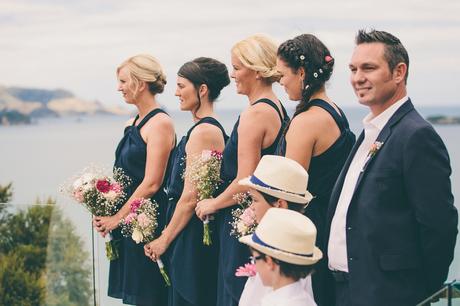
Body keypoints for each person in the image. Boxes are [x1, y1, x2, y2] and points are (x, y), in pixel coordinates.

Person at [326, 29, 458, 306]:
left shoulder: (416, 135)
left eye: (369, 68)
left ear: (399, 72)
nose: (357, 78)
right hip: (346, 290)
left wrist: (421, 291)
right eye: (353, 69)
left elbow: (439, 225)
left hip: (387, 295)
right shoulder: (368, 132)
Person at [195, 34, 290, 306]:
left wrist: (212, 203)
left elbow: (246, 180)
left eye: (237, 67)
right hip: (259, 219)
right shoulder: (277, 107)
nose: (233, 75)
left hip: (241, 222)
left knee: (236, 293)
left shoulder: (255, 114)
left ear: (257, 71)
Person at [275, 33, 355, 306]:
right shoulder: (334, 110)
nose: (280, 81)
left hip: (310, 228)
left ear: (300, 72)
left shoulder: (308, 120)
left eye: (283, 74)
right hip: (330, 221)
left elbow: (290, 192)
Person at [143, 57, 230, 306]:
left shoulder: (205, 132)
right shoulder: (200, 129)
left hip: (193, 237)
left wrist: (164, 239)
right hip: (186, 231)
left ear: (202, 89)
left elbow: (191, 197)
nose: (176, 92)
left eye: (182, 86)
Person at [94, 54, 176, 305]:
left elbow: (152, 182)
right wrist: (101, 205)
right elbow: (124, 173)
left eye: (123, 81)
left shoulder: (160, 123)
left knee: (149, 294)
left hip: (147, 221)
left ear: (140, 83)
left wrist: (116, 219)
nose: (118, 87)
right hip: (130, 220)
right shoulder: (132, 122)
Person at [237, 154, 315, 306]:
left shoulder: (280, 250)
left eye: (255, 200)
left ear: (279, 204)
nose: (251, 206)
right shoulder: (291, 241)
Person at [239, 207, 322, 306]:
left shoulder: (274, 303)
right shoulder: (307, 300)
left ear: (269, 261)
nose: (255, 266)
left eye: (255, 259)